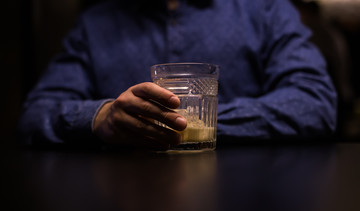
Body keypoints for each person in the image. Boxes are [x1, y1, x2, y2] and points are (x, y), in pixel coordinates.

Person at [17, 0, 337, 149]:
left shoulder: (266, 9)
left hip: (245, 203)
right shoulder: (96, 23)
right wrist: (100, 117)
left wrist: (192, 127)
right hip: (123, 208)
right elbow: (35, 116)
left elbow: (314, 103)